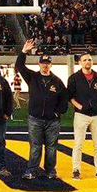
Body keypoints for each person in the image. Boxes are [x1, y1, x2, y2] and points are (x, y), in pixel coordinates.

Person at [16, 40, 69, 180]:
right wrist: (23, 52)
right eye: (43, 63)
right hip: (35, 118)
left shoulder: (57, 81)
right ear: (39, 64)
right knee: (35, 146)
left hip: (53, 120)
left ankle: (50, 170)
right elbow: (19, 66)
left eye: (47, 63)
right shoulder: (32, 77)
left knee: (51, 147)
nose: (45, 65)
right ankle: (32, 170)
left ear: (50, 65)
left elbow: (64, 98)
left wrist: (58, 112)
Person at [66, 52, 97, 179]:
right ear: (80, 62)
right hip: (81, 115)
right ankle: (76, 169)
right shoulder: (74, 78)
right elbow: (69, 96)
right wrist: (79, 107)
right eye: (84, 60)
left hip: (96, 115)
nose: (87, 62)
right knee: (78, 144)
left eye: (89, 60)